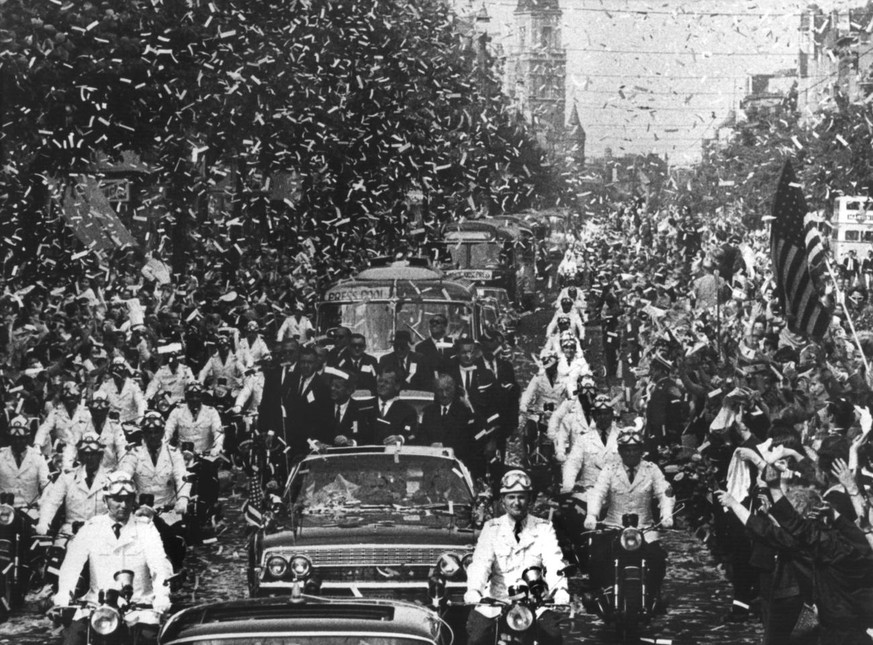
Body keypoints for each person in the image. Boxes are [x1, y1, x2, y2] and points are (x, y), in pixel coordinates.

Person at [51, 472, 173, 645]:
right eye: (116, 499)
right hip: (97, 609)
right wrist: (64, 592)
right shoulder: (92, 527)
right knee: (72, 640)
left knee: (151, 640)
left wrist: (162, 595)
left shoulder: (146, 529)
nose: (123, 505)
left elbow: (159, 563)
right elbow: (72, 563)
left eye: (128, 499)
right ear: (105, 500)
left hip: (138, 608)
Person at [464, 469, 569, 645]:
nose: (516, 502)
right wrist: (474, 590)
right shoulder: (492, 528)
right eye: (511, 497)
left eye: (521, 497)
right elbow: (481, 563)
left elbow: (554, 561)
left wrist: (560, 590)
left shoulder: (543, 528)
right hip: (497, 602)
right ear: (503, 501)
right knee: (477, 638)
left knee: (553, 636)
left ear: (529, 500)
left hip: (535, 604)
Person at [584, 424, 674, 611]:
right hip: (614, 527)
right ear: (620, 451)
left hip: (645, 529)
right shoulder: (610, 469)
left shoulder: (652, 469)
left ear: (641, 450)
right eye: (627, 450)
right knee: (596, 558)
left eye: (635, 449)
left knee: (657, 560)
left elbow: (664, 492)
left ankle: (654, 597)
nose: (631, 454)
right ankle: (599, 596)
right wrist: (592, 515)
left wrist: (666, 515)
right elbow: (598, 493)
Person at [118, 411, 189, 570]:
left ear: (163, 432)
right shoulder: (134, 453)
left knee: (176, 542)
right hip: (140, 510)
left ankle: (175, 569)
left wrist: (183, 498)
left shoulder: (173, 453)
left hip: (167, 510)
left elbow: (181, 476)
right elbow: (125, 474)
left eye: (156, 431)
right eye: (149, 432)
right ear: (143, 433)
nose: (153, 436)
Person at [36, 433, 112, 536]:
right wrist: (44, 523)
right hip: (71, 533)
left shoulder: (110, 479)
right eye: (85, 454)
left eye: (93, 454)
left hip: (101, 534)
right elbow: (51, 502)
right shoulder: (67, 477)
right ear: (80, 456)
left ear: (100, 455)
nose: (89, 458)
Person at [560, 395, 619, 497]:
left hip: (616, 491)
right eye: (599, 414)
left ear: (612, 415)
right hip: (588, 491)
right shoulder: (583, 439)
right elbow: (572, 463)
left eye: (606, 413)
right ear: (594, 416)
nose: (603, 417)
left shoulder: (622, 437)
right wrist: (568, 485)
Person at [418, 374, 478, 475]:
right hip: (432, 466)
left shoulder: (463, 412)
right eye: (440, 390)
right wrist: (430, 446)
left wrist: (445, 446)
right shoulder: (428, 412)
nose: (444, 394)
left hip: (456, 466)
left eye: (447, 389)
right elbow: (421, 437)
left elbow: (468, 440)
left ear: (454, 390)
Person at [34, 381, 92, 470]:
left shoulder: (85, 412)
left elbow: (91, 432)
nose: (70, 401)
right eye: (67, 398)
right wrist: (37, 445)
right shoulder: (56, 412)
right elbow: (44, 428)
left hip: (81, 451)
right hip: (62, 452)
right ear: (63, 399)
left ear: (77, 398)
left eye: (73, 397)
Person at [0, 416, 49, 509]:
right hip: (3, 509)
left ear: (27, 438)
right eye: (14, 438)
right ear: (9, 438)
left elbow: (47, 485)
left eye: (21, 438)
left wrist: (40, 502)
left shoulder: (37, 457)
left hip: (30, 509)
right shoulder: (1, 456)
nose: (17, 441)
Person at [163, 382, 223, 457]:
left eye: (197, 396)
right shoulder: (177, 411)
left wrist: (217, 447)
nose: (194, 399)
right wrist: (163, 444)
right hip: (183, 455)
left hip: (206, 455)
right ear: (186, 397)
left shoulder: (211, 412)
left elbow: (218, 432)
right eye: (191, 396)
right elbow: (168, 429)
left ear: (201, 397)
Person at [324, 368, 375, 446]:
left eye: (337, 387)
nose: (332, 388)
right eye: (331, 385)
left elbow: (367, 437)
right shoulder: (323, 408)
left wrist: (352, 442)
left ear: (350, 390)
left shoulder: (360, 411)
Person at [373, 369, 418, 445]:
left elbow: (412, 436)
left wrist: (401, 439)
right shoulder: (365, 406)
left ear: (397, 386)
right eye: (380, 381)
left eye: (386, 382)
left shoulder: (408, 411)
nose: (382, 385)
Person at [98, 356, 146, 424]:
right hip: (111, 422)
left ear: (125, 372)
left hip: (130, 421)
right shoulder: (106, 385)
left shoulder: (133, 385)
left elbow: (141, 402)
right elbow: (99, 400)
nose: (118, 375)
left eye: (120, 372)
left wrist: (140, 419)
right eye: (115, 372)